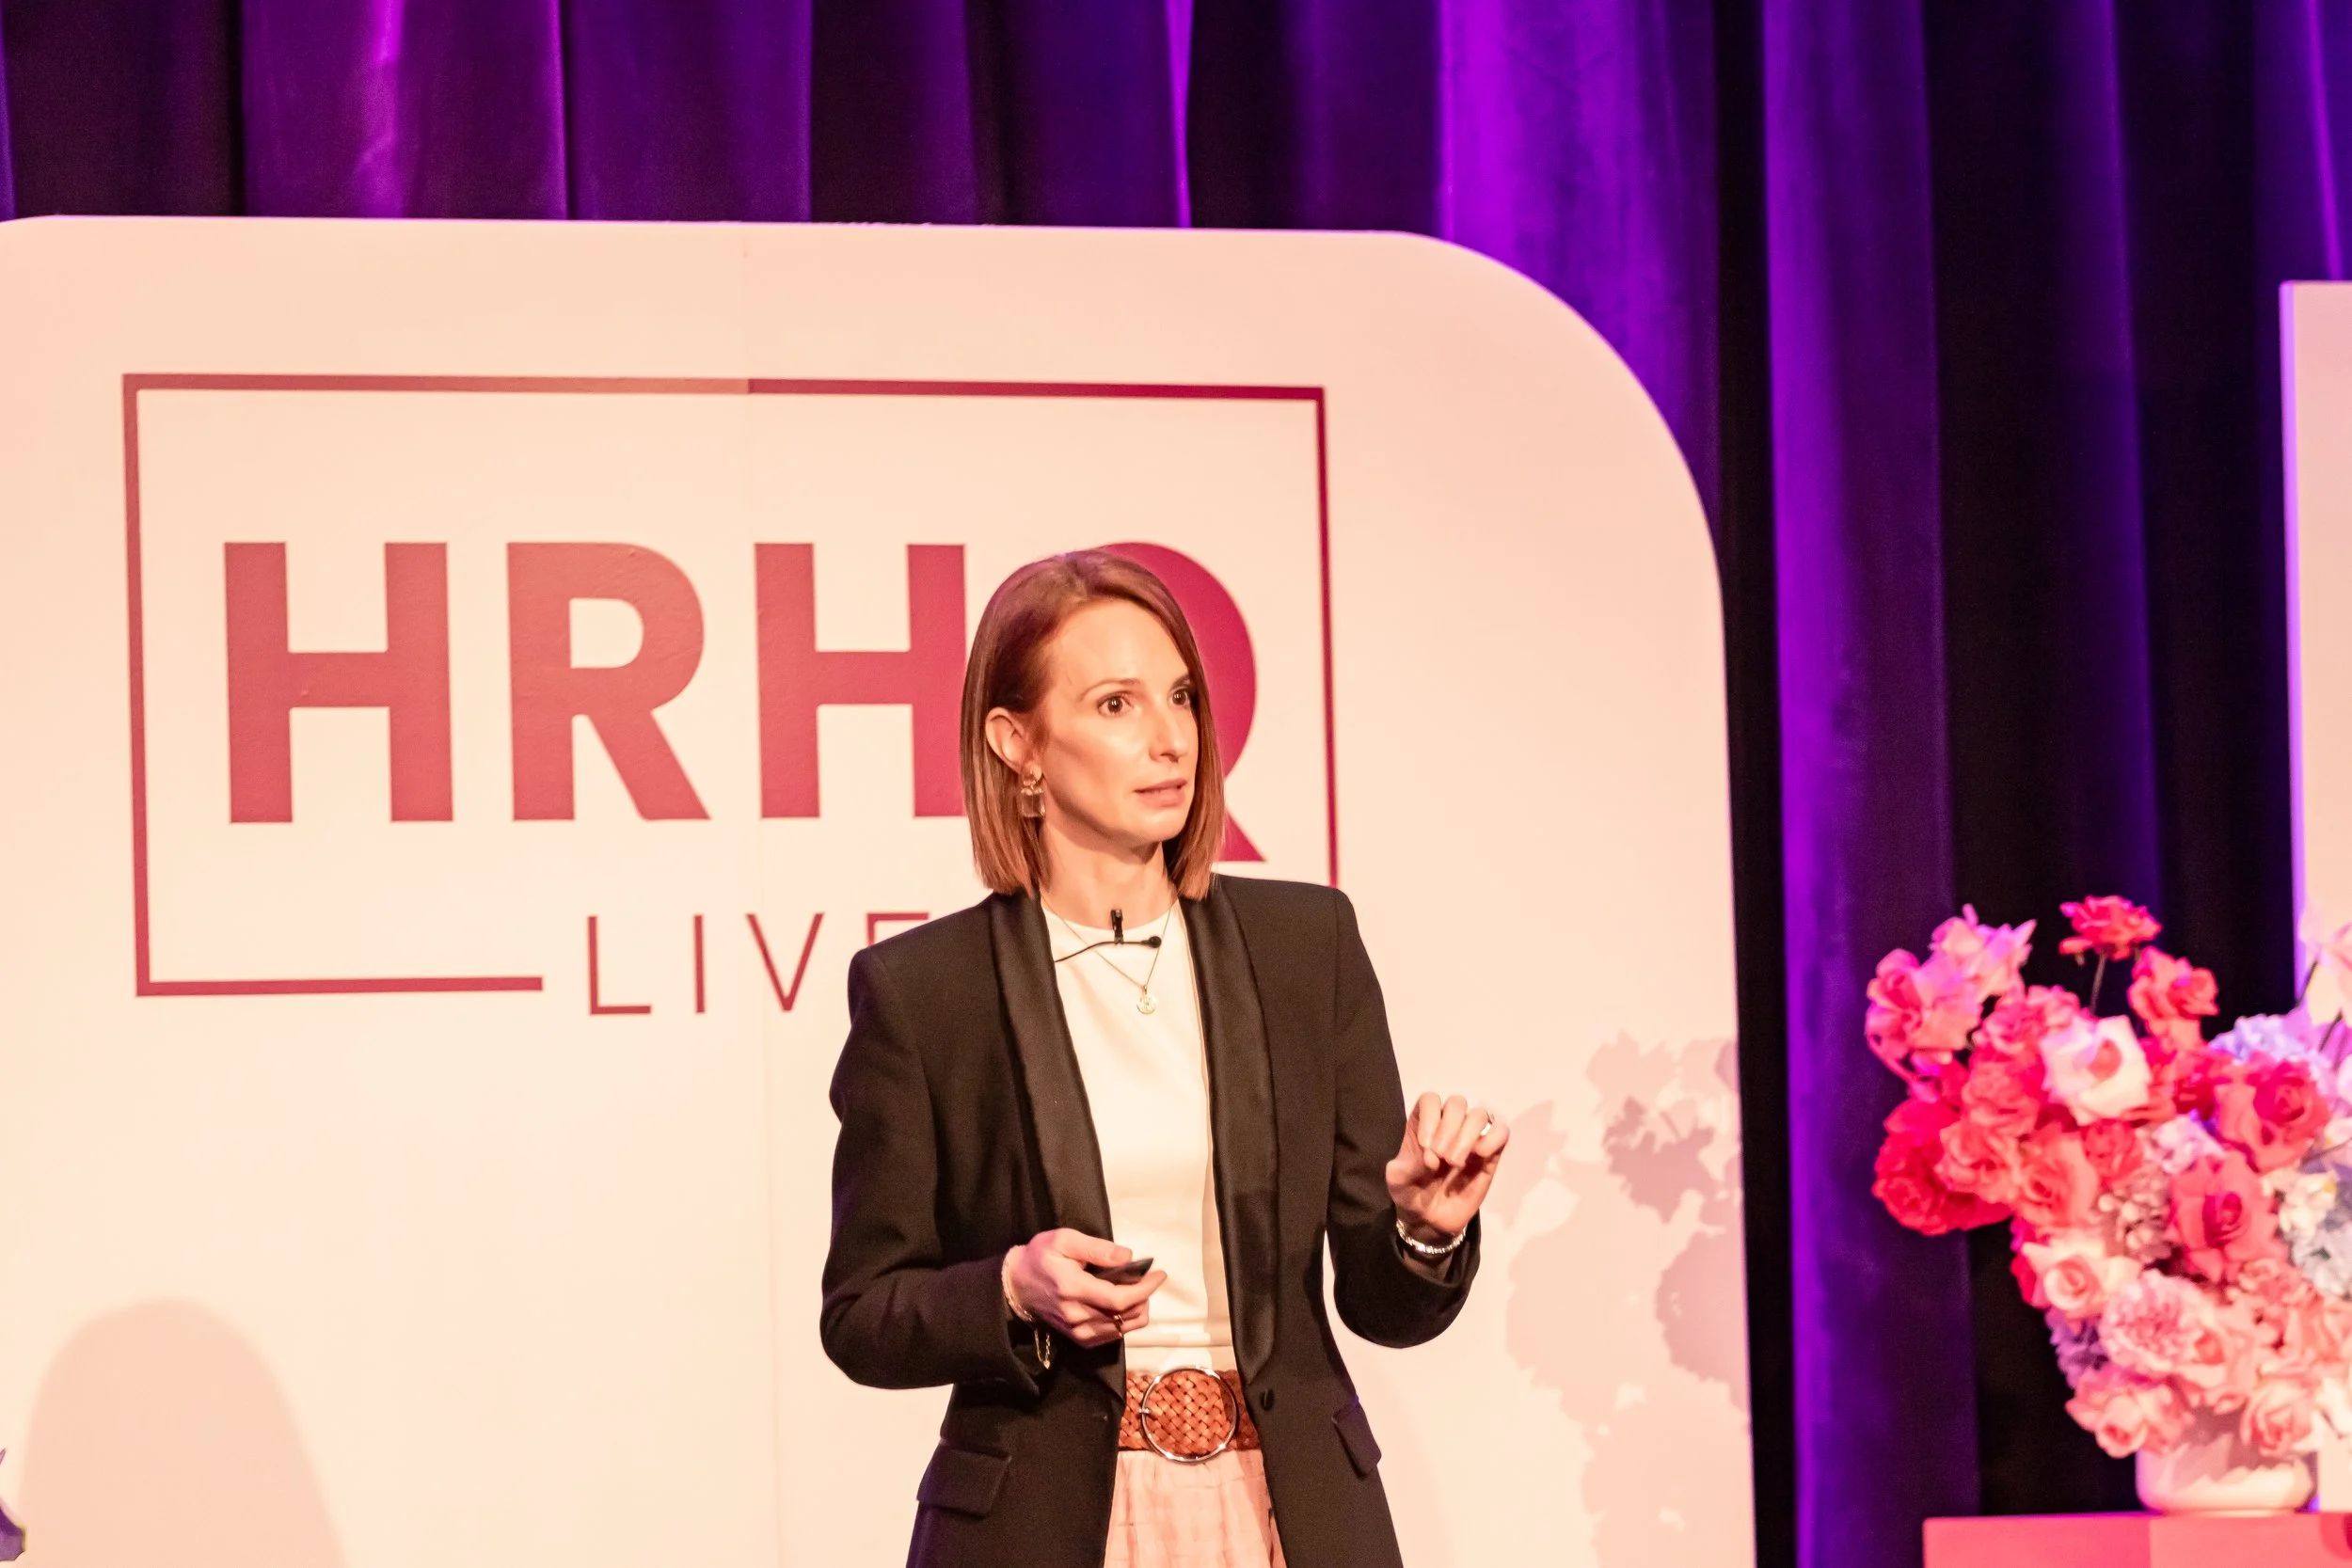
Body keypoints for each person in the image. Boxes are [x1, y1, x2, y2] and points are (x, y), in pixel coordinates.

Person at [821, 549, 1509, 1568]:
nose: (1167, 738)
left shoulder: (1304, 947)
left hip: (1287, 1509)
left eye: (1181, 695)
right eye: (1114, 703)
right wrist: (1011, 1286)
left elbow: (1382, 1303)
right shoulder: (927, 991)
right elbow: (863, 1313)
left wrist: (1419, 1232)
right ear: (1018, 744)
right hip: (1047, 1523)